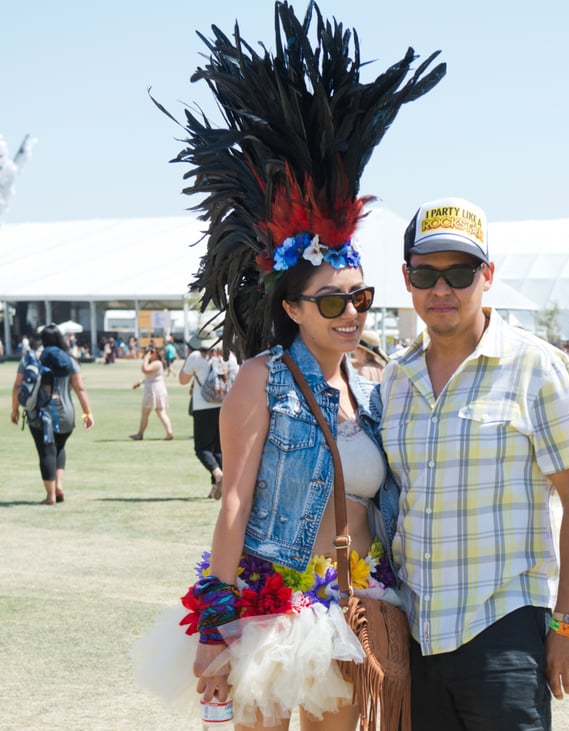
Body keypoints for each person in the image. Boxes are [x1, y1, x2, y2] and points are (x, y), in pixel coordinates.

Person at [133, 6, 444, 730]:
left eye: (360, 296)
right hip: (276, 608)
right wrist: (215, 622)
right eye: (331, 299)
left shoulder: (373, 388)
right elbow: (234, 502)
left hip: (358, 604)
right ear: (295, 307)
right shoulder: (262, 378)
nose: (351, 311)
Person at [379, 198, 569, 730]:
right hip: (414, 633)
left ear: (488, 276)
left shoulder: (537, 367)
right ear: (406, 279)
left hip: (504, 625)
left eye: (459, 273)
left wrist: (568, 622)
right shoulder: (394, 378)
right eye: (425, 273)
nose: (441, 289)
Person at [9, 324, 95, 504]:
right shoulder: (70, 360)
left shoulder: (31, 358)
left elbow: (18, 386)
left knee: (46, 452)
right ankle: (59, 486)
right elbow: (80, 388)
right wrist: (88, 413)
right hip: (67, 414)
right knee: (60, 447)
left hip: (41, 415)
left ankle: (50, 496)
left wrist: (15, 409)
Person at [179, 334, 226, 498]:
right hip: (225, 405)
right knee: (219, 449)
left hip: (203, 407)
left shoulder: (196, 356)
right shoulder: (226, 354)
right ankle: (216, 488)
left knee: (202, 448)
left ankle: (219, 475)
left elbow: (182, 380)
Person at [129, 345, 174, 441]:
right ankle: (169, 432)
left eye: (152, 352)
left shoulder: (157, 363)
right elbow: (150, 377)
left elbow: (145, 369)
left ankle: (140, 434)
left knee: (147, 413)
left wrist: (145, 358)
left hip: (153, 390)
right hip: (157, 389)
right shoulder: (157, 363)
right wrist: (139, 383)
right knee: (160, 412)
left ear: (157, 354)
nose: (149, 354)